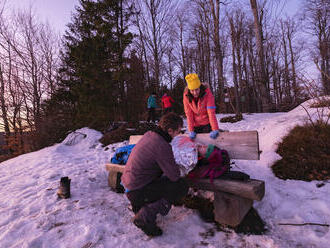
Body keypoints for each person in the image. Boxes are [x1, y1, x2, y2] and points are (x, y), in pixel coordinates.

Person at [121, 112, 188, 237]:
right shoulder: (162, 145)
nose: (179, 134)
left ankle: (139, 206)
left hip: (130, 185)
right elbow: (174, 176)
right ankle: (145, 216)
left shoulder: (149, 135)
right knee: (181, 185)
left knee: (162, 178)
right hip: (138, 190)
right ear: (170, 131)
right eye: (178, 131)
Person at [183, 73, 220, 140]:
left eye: (196, 89)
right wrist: (191, 130)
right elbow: (189, 114)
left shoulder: (208, 94)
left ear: (200, 87)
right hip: (195, 125)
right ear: (189, 90)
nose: (195, 93)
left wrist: (215, 129)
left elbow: (211, 113)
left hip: (206, 123)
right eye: (192, 90)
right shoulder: (186, 96)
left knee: (208, 142)